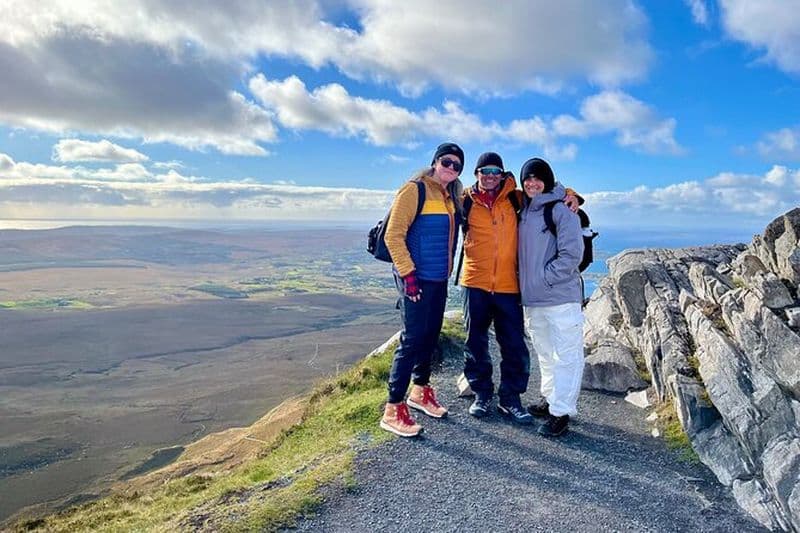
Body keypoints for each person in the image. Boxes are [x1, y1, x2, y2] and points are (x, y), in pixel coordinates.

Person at [380, 142, 464, 437]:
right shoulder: (413, 190)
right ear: (435, 161)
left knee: (430, 334)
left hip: (438, 278)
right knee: (412, 339)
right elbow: (393, 235)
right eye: (446, 162)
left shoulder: (451, 195)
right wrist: (409, 275)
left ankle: (420, 390)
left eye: (457, 165)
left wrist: (567, 195)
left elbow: (490, 187)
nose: (451, 168)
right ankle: (393, 408)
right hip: (415, 277)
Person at [459, 152, 532, 424]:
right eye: (484, 171)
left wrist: (571, 194)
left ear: (502, 174)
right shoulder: (465, 200)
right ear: (476, 174)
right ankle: (482, 393)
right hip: (474, 282)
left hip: (507, 285)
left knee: (513, 344)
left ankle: (510, 399)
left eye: (495, 171)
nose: (489, 176)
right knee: (475, 342)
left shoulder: (516, 198)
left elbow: (548, 191)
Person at [517, 157, 585, 437]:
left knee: (567, 355)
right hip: (533, 300)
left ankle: (562, 411)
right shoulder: (524, 209)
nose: (532, 183)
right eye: (528, 178)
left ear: (547, 179)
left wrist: (545, 279)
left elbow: (572, 254)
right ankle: (550, 399)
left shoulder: (561, 210)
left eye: (538, 178)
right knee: (545, 354)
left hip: (560, 298)